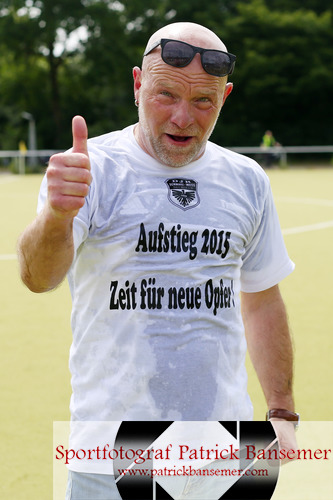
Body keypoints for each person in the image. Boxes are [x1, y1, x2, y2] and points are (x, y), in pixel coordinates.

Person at [17, 22, 298, 500]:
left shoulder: (248, 180)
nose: (183, 117)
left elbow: (263, 299)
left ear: (224, 97)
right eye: (165, 94)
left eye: (203, 101)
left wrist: (282, 412)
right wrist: (58, 217)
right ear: (137, 84)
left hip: (226, 444)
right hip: (116, 446)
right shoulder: (94, 169)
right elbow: (37, 277)